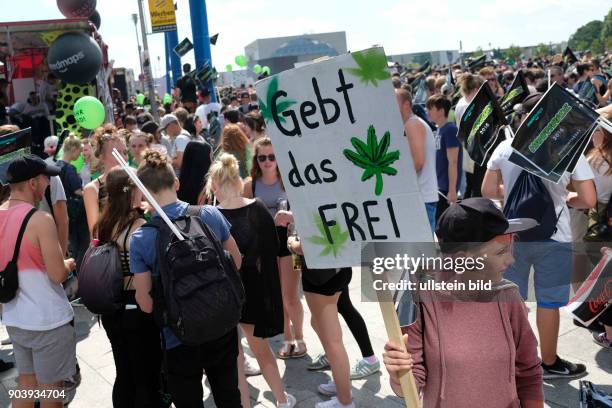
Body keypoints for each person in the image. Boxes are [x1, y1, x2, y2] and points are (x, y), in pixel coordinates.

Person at [383, 198, 544, 407]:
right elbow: (410, 384)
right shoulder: (417, 299)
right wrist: (398, 376)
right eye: (501, 252)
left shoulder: (509, 297)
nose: (511, 260)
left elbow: (529, 372)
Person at [482, 92, 596, 379]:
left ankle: (517, 361)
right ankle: (548, 363)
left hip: (513, 236)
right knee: (549, 303)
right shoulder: (568, 148)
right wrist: (566, 198)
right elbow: (589, 199)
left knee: (514, 301)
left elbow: (487, 192)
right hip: (555, 238)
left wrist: (512, 194)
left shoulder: (505, 148)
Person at [129, 150, 243, 407]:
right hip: (221, 323)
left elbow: (146, 304)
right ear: (176, 183)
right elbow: (236, 261)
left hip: (178, 336)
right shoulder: (208, 215)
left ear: (145, 194)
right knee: (229, 395)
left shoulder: (142, 239)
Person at [208, 153, 296, 408]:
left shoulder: (209, 216)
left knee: (234, 359)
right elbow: (273, 250)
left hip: (223, 296)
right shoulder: (256, 208)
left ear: (214, 186)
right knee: (262, 352)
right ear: (238, 181)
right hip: (253, 293)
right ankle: (281, 400)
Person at [0, 155, 77, 408]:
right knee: (51, 393)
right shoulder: (40, 220)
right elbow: (57, 275)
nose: (48, 183)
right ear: (33, 182)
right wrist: (66, 265)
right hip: (48, 321)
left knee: (26, 384)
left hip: (15, 318)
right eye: (46, 178)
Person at [94, 167, 162, 407]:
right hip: (137, 306)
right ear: (131, 192)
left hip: (111, 307)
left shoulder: (102, 225)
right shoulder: (140, 227)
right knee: (146, 376)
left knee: (123, 372)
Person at [243, 138, 307, 359]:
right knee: (277, 296)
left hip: (292, 240)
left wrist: (291, 216)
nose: (268, 161)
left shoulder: (290, 180)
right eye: (262, 157)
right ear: (256, 160)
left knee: (291, 296)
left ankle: (299, 338)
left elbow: (308, 211)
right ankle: (288, 339)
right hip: (265, 244)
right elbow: (244, 216)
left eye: (272, 156)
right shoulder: (250, 184)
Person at [286, 223, 354, 408]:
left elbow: (301, 247)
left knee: (332, 340)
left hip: (321, 275)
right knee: (318, 324)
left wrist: (291, 242)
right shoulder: (329, 199)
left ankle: (345, 400)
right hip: (337, 268)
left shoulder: (310, 203)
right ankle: (342, 385)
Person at [395, 88, 439, 231]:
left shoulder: (412, 124)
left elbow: (418, 162)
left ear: (406, 104)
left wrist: (395, 179)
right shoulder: (412, 123)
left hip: (421, 197)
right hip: (423, 196)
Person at [83, 132, 129, 237]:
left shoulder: (133, 181)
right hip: (111, 248)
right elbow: (95, 232)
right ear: (102, 157)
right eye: (117, 153)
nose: (123, 158)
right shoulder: (93, 188)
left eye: (125, 152)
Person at [426, 95, 462, 221]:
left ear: (441, 111)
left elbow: (453, 161)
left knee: (441, 226)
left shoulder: (450, 130)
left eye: (430, 108)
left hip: (446, 189)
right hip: (438, 186)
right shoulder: (439, 130)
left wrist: (452, 190)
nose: (427, 112)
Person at [56, 135, 88, 272]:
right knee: (83, 246)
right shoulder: (70, 169)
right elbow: (78, 191)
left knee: (71, 246)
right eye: (80, 152)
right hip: (77, 213)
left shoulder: (56, 165)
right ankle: (81, 273)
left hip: (63, 211)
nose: (80, 155)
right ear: (74, 149)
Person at [455, 73, 484, 199]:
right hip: (476, 153)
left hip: (469, 153)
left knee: (471, 187)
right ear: (476, 89)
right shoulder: (469, 106)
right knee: (477, 190)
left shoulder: (462, 102)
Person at [177, 141, 213, 205]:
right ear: (203, 160)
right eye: (211, 157)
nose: (212, 162)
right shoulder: (209, 189)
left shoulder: (175, 185)